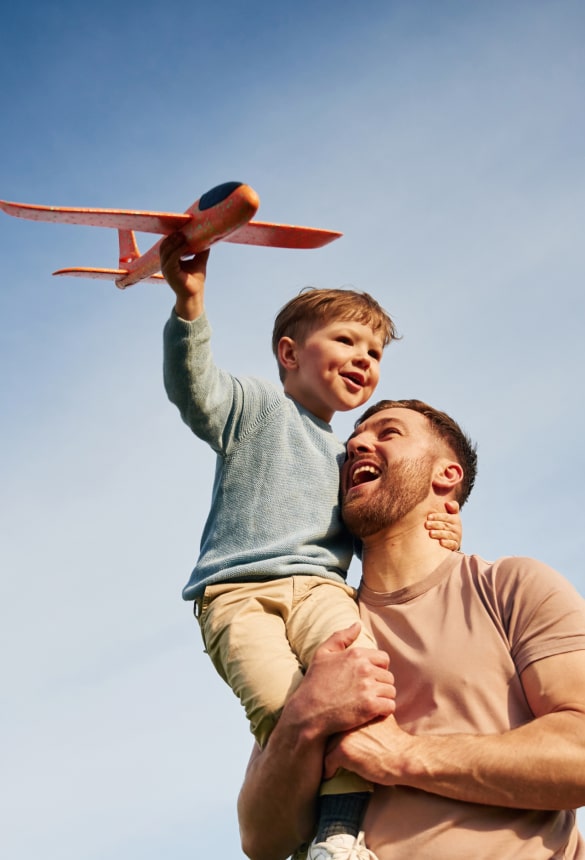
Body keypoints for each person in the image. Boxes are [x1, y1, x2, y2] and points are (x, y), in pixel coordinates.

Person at [159, 237, 462, 860]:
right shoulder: (256, 407)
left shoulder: (351, 458)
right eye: (347, 341)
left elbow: (383, 528)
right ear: (290, 354)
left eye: (374, 351)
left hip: (323, 592)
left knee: (365, 691)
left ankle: (340, 834)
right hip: (238, 596)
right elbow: (194, 388)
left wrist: (444, 524)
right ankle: (300, 831)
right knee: (285, 710)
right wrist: (190, 306)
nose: (364, 358)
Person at [238, 399, 585, 860]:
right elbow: (260, 840)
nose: (357, 443)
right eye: (355, 438)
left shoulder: (509, 586)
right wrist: (306, 717)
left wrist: (402, 756)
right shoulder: (313, 624)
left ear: (447, 476)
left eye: (389, 433)